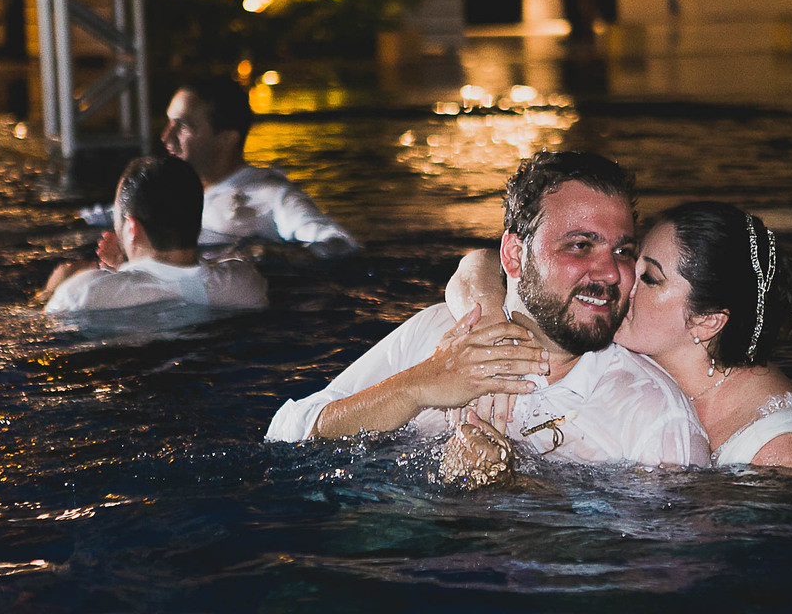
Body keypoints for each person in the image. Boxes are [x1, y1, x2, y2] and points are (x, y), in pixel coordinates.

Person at [266, 151, 709, 469]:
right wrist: (415, 388)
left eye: (623, 251)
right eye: (579, 245)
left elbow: (660, 572)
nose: (611, 272)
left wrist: (510, 490)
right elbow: (284, 438)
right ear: (515, 256)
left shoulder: (651, 418)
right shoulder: (441, 332)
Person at [447, 202, 792, 469]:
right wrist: (490, 330)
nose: (620, 280)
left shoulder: (782, 453)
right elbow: (480, 263)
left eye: (650, 278)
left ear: (707, 322)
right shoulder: (652, 354)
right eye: (629, 259)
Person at [43, 156, 268, 314]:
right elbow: (173, 283)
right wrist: (121, 270)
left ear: (131, 227)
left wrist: (52, 290)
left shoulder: (82, 293)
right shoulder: (245, 283)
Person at [161, 77, 358, 257]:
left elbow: (338, 244)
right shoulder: (166, 194)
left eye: (183, 126)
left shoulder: (271, 196)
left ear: (227, 138)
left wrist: (280, 256)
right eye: (169, 122)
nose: (166, 137)